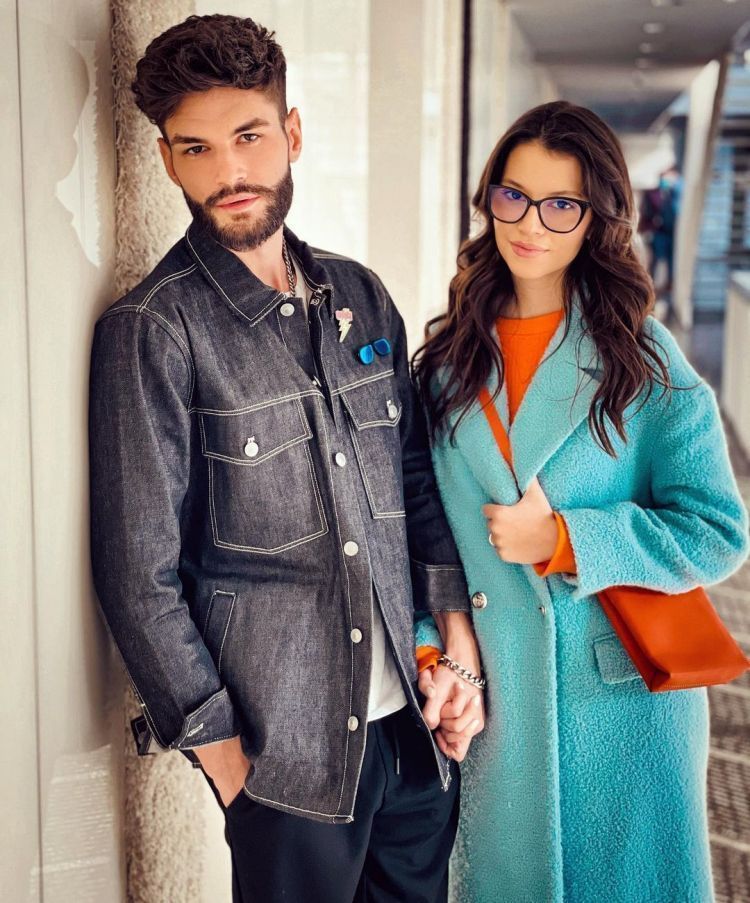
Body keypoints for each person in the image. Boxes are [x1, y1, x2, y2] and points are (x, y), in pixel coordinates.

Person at [88, 14, 485, 903]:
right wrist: (227, 759)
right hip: (287, 771)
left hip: (411, 742)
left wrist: (454, 645)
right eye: (196, 148)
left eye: (249, 136)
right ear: (165, 160)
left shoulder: (361, 295)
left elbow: (413, 482)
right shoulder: (154, 330)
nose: (228, 173)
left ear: (292, 132)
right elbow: (137, 574)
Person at [412, 101, 749, 902]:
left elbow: (717, 530)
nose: (531, 224)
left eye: (561, 205)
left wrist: (566, 539)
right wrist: (435, 653)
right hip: (497, 703)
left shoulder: (641, 354)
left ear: (596, 218)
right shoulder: (447, 359)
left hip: (622, 712)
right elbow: (421, 535)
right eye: (514, 196)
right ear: (489, 198)